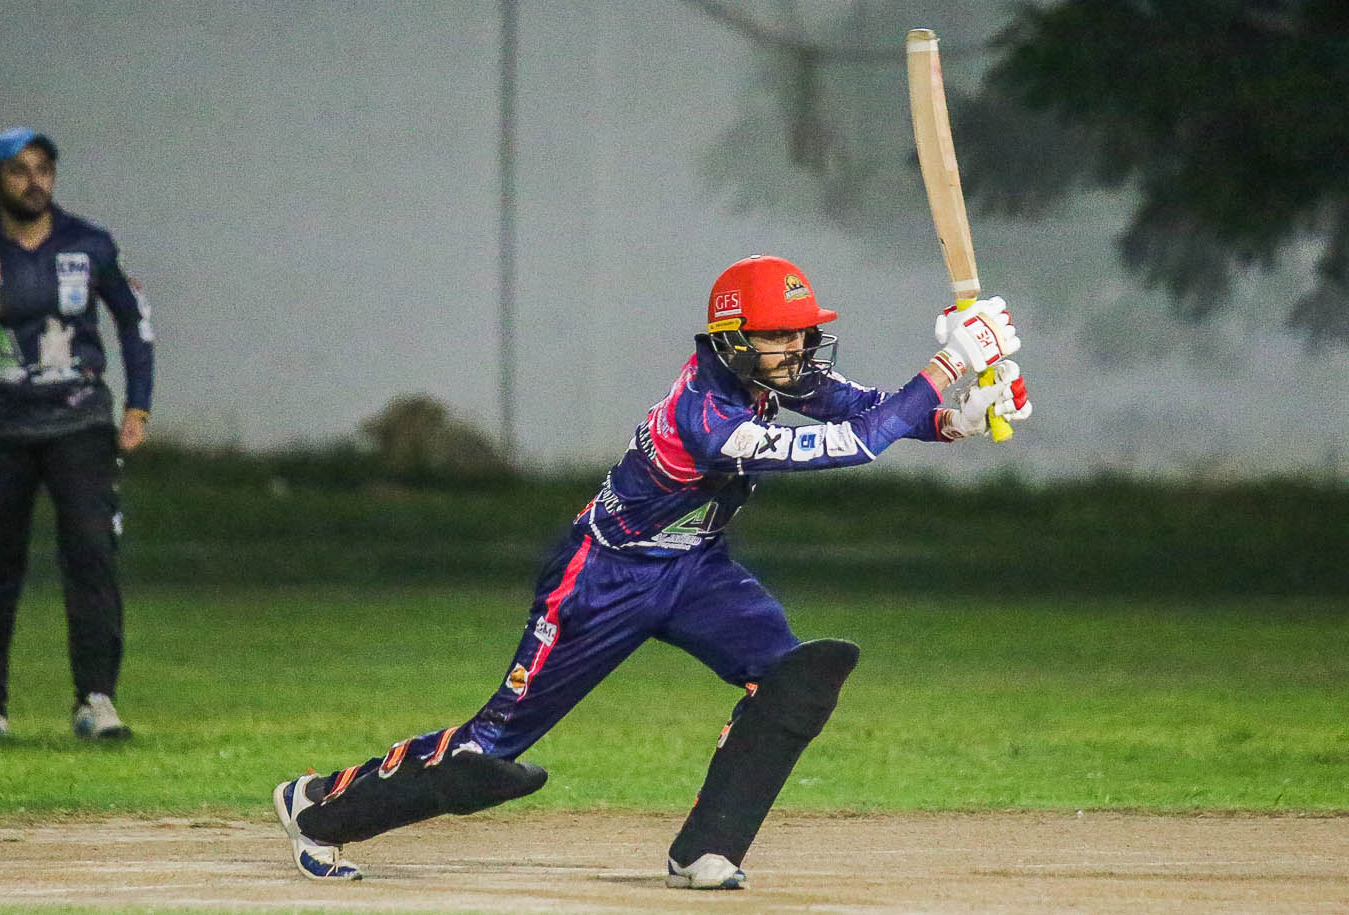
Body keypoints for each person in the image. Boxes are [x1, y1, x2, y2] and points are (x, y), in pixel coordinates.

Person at [269, 254, 1030, 886]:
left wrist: (958, 416)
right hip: (603, 578)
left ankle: (706, 850)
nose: (798, 348)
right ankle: (318, 807)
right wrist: (950, 363)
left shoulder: (771, 375)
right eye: (779, 335)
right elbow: (850, 444)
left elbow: (871, 409)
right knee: (490, 747)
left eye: (802, 331)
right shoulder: (705, 415)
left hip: (696, 570)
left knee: (790, 678)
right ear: (733, 340)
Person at [0, 127, 155, 742]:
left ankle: (96, 701)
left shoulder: (89, 245)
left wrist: (138, 407)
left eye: (43, 168)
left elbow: (135, 324)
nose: (33, 181)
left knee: (92, 557)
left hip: (80, 424)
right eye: (18, 170)